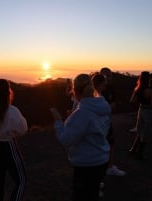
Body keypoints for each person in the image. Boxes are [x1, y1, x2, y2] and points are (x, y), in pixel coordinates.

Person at [50, 73, 111, 201]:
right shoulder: (102, 105)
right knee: (93, 194)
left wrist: (58, 121)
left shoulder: (83, 113)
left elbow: (66, 139)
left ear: (75, 91)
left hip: (87, 164)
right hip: (101, 159)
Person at [100, 67, 125, 176]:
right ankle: (98, 175)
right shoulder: (95, 90)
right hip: (97, 124)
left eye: (110, 76)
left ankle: (109, 167)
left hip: (107, 121)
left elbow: (113, 103)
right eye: (106, 76)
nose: (109, 78)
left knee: (111, 144)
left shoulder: (110, 88)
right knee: (98, 147)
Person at [129, 71, 152, 160]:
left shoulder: (137, 89)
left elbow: (132, 100)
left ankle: (133, 149)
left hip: (141, 109)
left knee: (139, 130)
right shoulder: (150, 90)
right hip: (148, 110)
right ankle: (139, 153)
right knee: (145, 133)